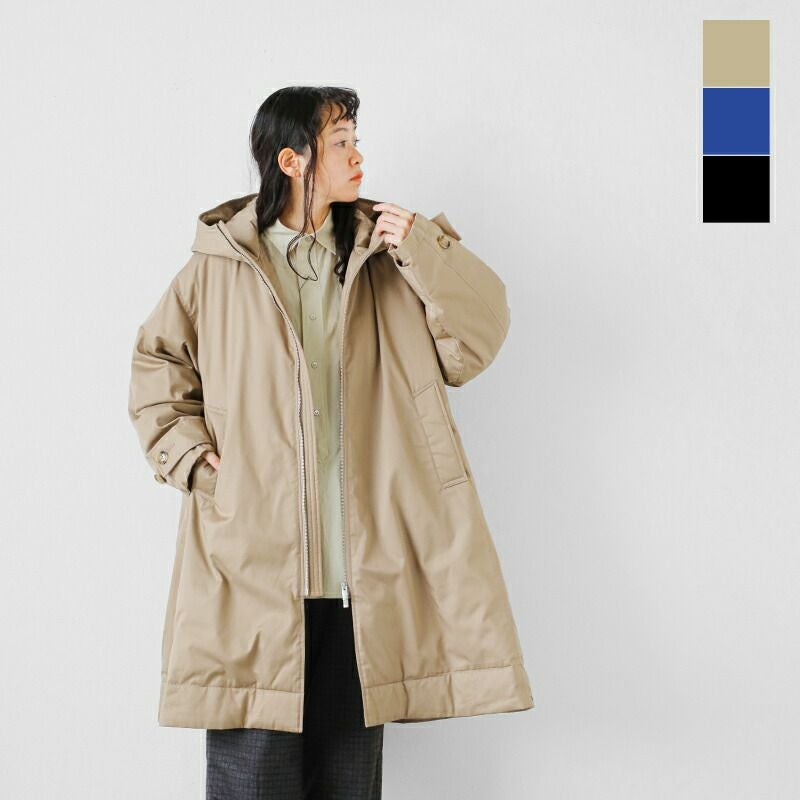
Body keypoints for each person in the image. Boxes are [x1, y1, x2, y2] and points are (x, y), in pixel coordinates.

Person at [128, 86, 534, 800]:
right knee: (252, 783)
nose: (358, 156)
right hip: (253, 575)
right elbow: (155, 368)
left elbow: (478, 340)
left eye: (355, 139)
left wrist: (425, 248)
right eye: (341, 142)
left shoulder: (386, 255)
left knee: (349, 786)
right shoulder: (220, 264)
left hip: (364, 584)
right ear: (292, 161)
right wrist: (194, 461)